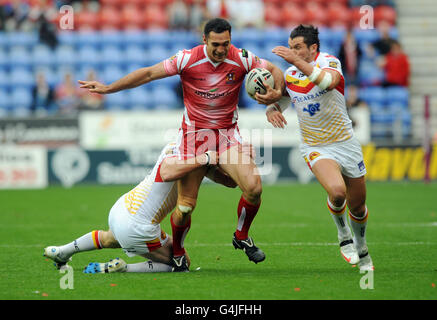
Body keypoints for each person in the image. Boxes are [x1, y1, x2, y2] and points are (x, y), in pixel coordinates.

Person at [78, 18, 284, 271]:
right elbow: (149, 73)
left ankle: (241, 236)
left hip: (227, 136)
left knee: (253, 187)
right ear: (204, 40)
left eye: (226, 43)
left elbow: (274, 71)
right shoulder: (187, 58)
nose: (222, 49)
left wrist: (275, 97)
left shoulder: (241, 57)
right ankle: (177, 251)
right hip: (194, 138)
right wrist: (109, 88)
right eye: (216, 44)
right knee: (185, 206)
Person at [256, 24, 373, 272]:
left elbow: (329, 83)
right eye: (290, 48)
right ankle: (343, 235)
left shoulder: (330, 62)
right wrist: (272, 108)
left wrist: (296, 62)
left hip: (346, 143)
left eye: (297, 47)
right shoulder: (290, 74)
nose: (292, 52)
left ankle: (362, 247)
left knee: (358, 206)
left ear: (313, 48)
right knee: (337, 192)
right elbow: (286, 98)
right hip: (315, 146)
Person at [44, 142, 243, 273]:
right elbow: (167, 171)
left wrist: (233, 163)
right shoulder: (180, 152)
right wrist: (205, 159)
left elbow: (230, 182)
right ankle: (124, 269)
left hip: (123, 208)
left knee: (110, 238)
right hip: (138, 226)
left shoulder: (191, 151)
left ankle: (63, 251)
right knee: (181, 263)